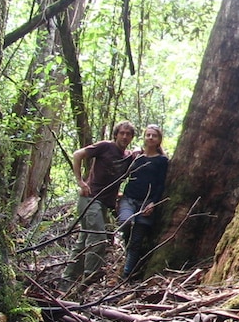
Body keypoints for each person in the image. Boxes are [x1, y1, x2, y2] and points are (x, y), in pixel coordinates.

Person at [62, 121, 136, 288]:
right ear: (116, 134)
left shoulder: (128, 156)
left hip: (103, 204)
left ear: (131, 137)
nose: (124, 136)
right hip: (90, 200)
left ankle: (66, 282)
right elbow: (77, 154)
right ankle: (88, 280)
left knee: (83, 241)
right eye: (122, 133)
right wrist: (80, 182)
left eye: (128, 134)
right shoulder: (105, 146)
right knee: (98, 239)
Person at [117, 124, 169, 279]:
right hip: (129, 199)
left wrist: (153, 203)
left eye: (154, 135)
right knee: (125, 222)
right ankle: (127, 252)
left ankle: (127, 274)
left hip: (147, 203)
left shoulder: (162, 161)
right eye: (148, 135)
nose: (151, 138)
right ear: (144, 137)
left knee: (137, 241)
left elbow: (161, 184)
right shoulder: (135, 156)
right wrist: (116, 192)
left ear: (159, 139)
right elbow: (122, 174)